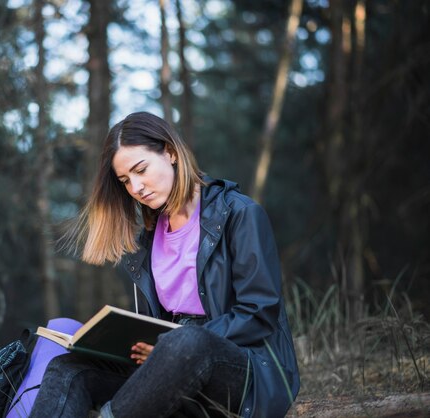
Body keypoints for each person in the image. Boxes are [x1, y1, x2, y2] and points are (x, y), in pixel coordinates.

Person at [28, 112, 300, 418]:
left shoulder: (240, 214)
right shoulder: (148, 236)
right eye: (125, 180)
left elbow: (259, 313)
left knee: (188, 341)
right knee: (69, 368)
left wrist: (171, 344)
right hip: (167, 360)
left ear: (170, 152)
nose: (136, 187)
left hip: (243, 369)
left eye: (140, 170)